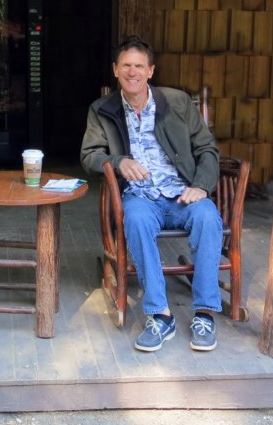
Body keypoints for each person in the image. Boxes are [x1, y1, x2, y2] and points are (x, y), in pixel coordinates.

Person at [81, 36, 224, 353]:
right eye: (126, 66)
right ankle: (160, 314)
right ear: (115, 70)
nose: (132, 72)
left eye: (139, 66)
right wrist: (118, 162)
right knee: (135, 220)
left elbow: (207, 149)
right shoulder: (102, 109)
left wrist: (201, 185)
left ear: (150, 71)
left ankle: (204, 313)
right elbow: (89, 155)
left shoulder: (177, 102)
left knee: (208, 218)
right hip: (140, 197)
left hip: (182, 193)